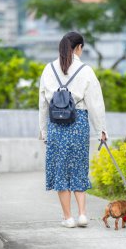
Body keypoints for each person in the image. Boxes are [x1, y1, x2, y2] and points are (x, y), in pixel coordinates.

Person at [38, 31, 108, 228]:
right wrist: (101, 129)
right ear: (79, 48)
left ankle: (68, 218)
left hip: (56, 125)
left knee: (60, 169)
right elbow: (95, 103)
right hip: (78, 123)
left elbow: (43, 104)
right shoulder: (86, 70)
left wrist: (43, 131)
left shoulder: (48, 69)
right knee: (79, 168)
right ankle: (83, 215)